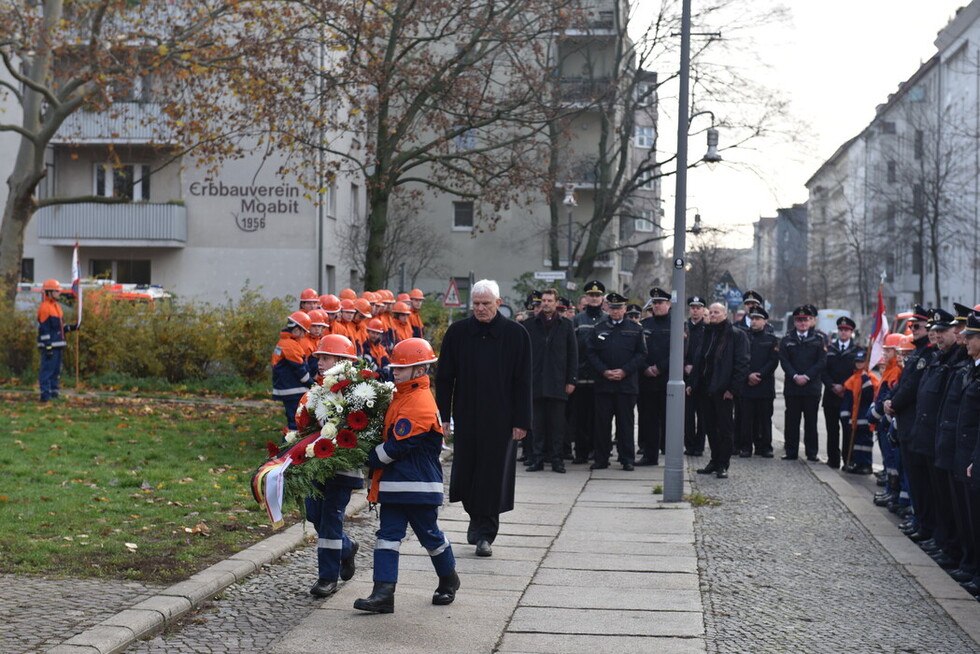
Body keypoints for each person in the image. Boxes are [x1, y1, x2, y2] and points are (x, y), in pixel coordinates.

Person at [355, 338, 458, 613]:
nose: (395, 371)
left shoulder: (419, 401)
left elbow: (399, 446)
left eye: (403, 367)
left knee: (430, 537)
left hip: (418, 487)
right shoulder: (403, 395)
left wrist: (368, 457)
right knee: (386, 537)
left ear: (420, 370)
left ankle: (449, 579)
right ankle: (383, 594)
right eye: (396, 367)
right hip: (395, 485)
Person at [436, 279, 532, 557]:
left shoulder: (516, 334)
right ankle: (474, 517)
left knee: (492, 475)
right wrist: (443, 416)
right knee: (467, 472)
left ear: (498, 304)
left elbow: (523, 381)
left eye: (486, 304)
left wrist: (522, 420)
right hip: (467, 415)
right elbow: (444, 379)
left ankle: (484, 533)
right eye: (476, 304)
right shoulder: (457, 333)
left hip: (502, 418)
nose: (480, 308)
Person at [306, 334, 363, 598]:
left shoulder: (354, 392)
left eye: (325, 357)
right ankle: (346, 548)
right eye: (318, 357)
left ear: (341, 361)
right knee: (314, 515)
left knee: (329, 520)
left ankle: (327, 578)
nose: (319, 362)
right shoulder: (318, 389)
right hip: (317, 464)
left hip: (342, 469)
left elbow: (359, 428)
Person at [586, 291, 647, 471]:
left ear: (624, 309)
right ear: (607, 308)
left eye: (618, 308)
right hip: (604, 384)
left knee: (625, 424)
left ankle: (627, 458)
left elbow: (641, 354)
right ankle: (601, 458)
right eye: (612, 308)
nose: (615, 311)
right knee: (602, 424)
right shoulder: (599, 328)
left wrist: (624, 371)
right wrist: (604, 371)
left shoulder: (635, 329)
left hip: (626, 384)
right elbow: (591, 352)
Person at [689, 303, 749, 479]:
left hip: (723, 389)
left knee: (724, 428)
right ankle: (714, 460)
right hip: (705, 388)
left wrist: (732, 388)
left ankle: (723, 463)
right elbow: (699, 359)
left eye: (717, 312)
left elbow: (742, 364)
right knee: (709, 426)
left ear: (725, 314)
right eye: (711, 312)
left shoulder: (736, 335)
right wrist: (693, 382)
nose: (713, 315)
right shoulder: (707, 332)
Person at [523, 288, 578, 474]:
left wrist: (571, 380)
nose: (546, 304)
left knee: (557, 426)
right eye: (543, 301)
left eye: (549, 301)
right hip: (536, 382)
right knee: (537, 425)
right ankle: (537, 459)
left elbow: (572, 354)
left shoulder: (565, 325)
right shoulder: (530, 325)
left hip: (558, 382)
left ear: (556, 303)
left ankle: (557, 460)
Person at [779, 304, 826, 461]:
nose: (803, 323)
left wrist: (806, 376)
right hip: (792, 386)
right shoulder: (787, 340)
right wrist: (794, 376)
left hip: (811, 387)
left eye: (805, 320)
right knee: (791, 421)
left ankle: (811, 452)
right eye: (799, 320)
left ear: (810, 321)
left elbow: (821, 362)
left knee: (811, 422)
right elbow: (784, 361)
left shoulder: (819, 340)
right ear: (795, 322)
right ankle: (791, 451)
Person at [570, 281, 608, 464]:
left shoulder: (607, 319)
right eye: (591, 295)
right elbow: (571, 348)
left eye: (597, 295)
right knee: (580, 417)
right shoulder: (578, 319)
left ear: (602, 298)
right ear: (585, 298)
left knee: (599, 418)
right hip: (581, 375)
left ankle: (597, 450)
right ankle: (581, 452)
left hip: (601, 377)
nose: (594, 298)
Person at [638, 287, 672, 466]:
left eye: (660, 303)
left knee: (669, 420)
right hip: (647, 380)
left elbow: (679, 351)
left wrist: (659, 368)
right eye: (654, 303)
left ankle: (670, 453)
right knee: (649, 419)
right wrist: (646, 368)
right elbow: (638, 351)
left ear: (668, 304)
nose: (657, 306)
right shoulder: (644, 325)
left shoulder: (677, 325)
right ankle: (650, 455)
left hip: (667, 380)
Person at [739, 306, 778, 458]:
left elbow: (773, 361)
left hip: (764, 385)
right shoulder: (743, 337)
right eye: (752, 319)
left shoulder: (771, 339)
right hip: (747, 384)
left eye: (757, 319)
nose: (754, 322)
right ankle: (746, 447)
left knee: (764, 419)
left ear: (764, 321)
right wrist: (748, 375)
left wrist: (760, 374)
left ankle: (765, 447)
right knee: (746, 419)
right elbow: (740, 359)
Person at [820, 316, 859, 469]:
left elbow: (857, 373)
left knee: (848, 430)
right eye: (841, 330)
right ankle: (833, 459)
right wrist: (832, 386)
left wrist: (844, 386)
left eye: (847, 330)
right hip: (831, 395)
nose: (843, 333)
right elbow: (823, 371)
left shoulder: (858, 351)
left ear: (851, 332)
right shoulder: (829, 350)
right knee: (832, 430)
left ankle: (848, 459)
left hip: (848, 396)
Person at [272, 311, 314, 431]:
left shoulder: (284, 342)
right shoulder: (290, 345)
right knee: (295, 421)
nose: (304, 335)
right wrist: (312, 384)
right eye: (304, 332)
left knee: (293, 419)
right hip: (292, 389)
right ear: (296, 330)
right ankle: (289, 446)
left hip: (286, 388)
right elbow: (300, 369)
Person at [838, 347, 877, 474]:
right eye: (858, 361)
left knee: (865, 442)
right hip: (854, 418)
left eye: (862, 361)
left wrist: (866, 381)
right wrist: (845, 416)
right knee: (856, 442)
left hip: (865, 417)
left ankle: (866, 464)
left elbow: (870, 397)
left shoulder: (871, 378)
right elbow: (847, 401)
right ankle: (857, 463)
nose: (859, 363)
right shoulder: (851, 380)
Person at [37, 279, 77, 402]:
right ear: (49, 292)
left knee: (56, 371)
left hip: (58, 344)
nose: (60, 293)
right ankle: (45, 394)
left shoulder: (57, 307)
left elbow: (60, 327)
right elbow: (44, 330)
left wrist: (72, 327)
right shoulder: (45, 308)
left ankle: (54, 393)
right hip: (50, 346)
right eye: (57, 291)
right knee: (47, 370)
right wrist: (48, 346)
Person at [684, 296, 708, 455]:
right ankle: (689, 444)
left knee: (702, 414)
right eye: (693, 307)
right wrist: (684, 365)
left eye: (698, 307)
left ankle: (699, 446)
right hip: (684, 374)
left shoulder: (707, 329)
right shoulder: (684, 327)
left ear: (703, 310)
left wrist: (696, 368)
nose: (695, 310)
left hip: (701, 377)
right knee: (687, 413)